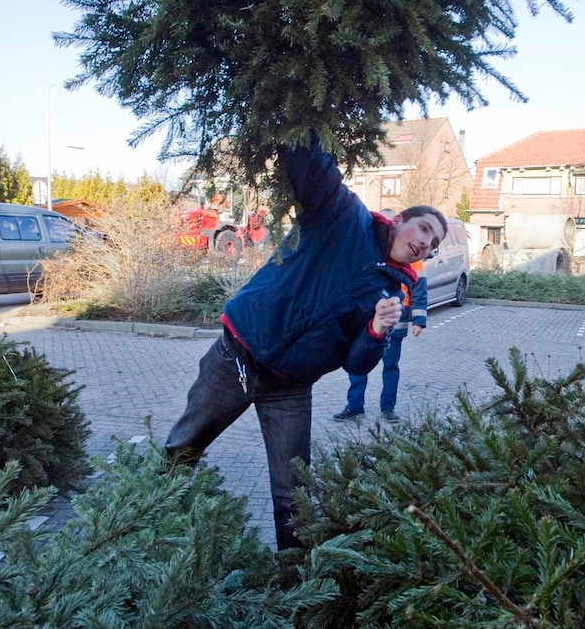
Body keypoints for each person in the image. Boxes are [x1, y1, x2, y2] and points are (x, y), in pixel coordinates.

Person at [163, 133, 448, 550]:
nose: (426, 242)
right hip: (236, 358)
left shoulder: (393, 293)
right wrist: (306, 116)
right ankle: (141, 530)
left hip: (290, 389)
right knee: (182, 451)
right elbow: (311, 167)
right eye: (424, 228)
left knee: (294, 497)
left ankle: (294, 580)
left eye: (434, 242)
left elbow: (357, 364)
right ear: (400, 219)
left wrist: (375, 331)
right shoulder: (344, 217)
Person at [333, 257, 427, 423]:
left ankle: (388, 408)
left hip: (395, 320)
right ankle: (354, 405)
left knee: (390, 365)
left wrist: (419, 320)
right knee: (357, 363)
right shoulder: (369, 251)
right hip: (365, 319)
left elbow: (419, 288)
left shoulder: (411, 256)